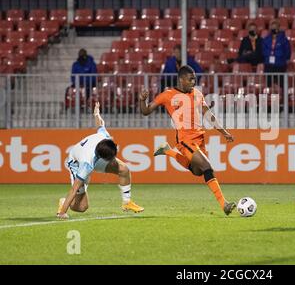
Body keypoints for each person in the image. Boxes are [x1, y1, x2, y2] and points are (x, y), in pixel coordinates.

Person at [139, 65, 236, 215]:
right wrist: (141, 101)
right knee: (207, 167)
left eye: (194, 79)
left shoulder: (197, 94)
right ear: (181, 79)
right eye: (190, 79)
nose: (193, 82)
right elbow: (146, 111)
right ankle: (224, 204)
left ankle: (167, 151)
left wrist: (224, 132)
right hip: (185, 139)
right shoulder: (167, 95)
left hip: (200, 138)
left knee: (198, 171)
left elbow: (208, 114)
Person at [57, 102, 144, 219]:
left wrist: (96, 114)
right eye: (111, 158)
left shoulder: (105, 137)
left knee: (124, 169)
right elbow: (74, 189)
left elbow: (100, 125)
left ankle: (127, 202)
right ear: (104, 158)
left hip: (94, 155)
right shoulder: (86, 165)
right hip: (76, 162)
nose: (113, 160)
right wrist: (63, 212)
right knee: (82, 207)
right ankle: (63, 202)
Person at [262, 19, 291, 87]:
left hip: (280, 64)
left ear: (278, 28)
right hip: (268, 65)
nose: (274, 29)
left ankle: (283, 96)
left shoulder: (284, 39)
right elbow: (263, 50)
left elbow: (287, 51)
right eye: (272, 28)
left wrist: (284, 59)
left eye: (275, 28)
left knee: (281, 84)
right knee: (268, 85)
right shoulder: (266, 39)